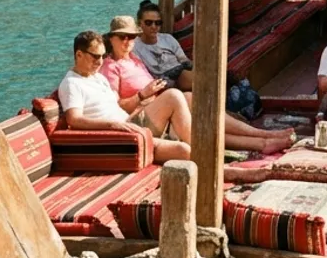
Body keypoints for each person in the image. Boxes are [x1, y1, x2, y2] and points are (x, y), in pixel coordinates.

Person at [100, 16, 293, 154]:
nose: (127, 41)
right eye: (122, 37)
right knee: (178, 96)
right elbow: (116, 107)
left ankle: (263, 139)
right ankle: (216, 150)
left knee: (195, 104)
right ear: (111, 39)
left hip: (156, 107)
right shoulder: (110, 67)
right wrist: (142, 95)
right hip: (138, 119)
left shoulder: (134, 59)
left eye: (131, 37)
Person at [58, 30, 191, 164]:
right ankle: (200, 154)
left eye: (102, 56)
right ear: (79, 54)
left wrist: (142, 101)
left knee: (175, 96)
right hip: (119, 138)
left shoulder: (97, 77)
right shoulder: (72, 84)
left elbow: (117, 106)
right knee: (184, 150)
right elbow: (74, 120)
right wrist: (113, 125)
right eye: (95, 56)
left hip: (128, 124)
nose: (100, 62)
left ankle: (200, 148)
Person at [133, 0, 194, 91]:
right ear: (139, 23)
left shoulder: (167, 38)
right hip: (163, 81)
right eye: (149, 23)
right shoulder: (135, 47)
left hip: (180, 73)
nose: (154, 26)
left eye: (158, 23)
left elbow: (184, 60)